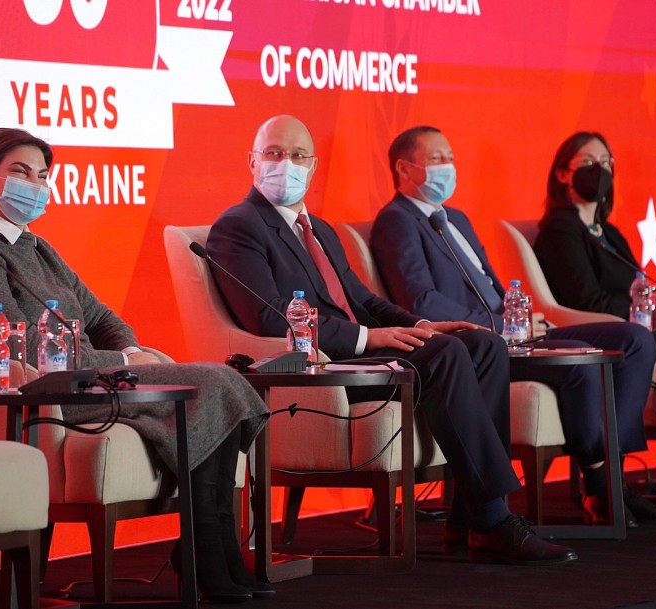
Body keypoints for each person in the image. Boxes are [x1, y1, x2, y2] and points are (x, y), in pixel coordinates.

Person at [206, 114, 577, 566]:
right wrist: (369, 337)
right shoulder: (239, 226)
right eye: (274, 153)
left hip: (361, 354)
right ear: (252, 161)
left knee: (483, 345)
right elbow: (267, 316)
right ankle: (494, 519)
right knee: (445, 355)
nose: (287, 164)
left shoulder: (318, 228)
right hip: (322, 366)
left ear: (313, 165)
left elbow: (364, 300)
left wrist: (423, 324)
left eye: (298, 155)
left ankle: (470, 518)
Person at [0, 128, 272, 604]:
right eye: (20, 172)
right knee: (214, 381)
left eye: (42, 175)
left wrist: (130, 349)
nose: (35, 185)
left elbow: (102, 317)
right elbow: (24, 345)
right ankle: (209, 557)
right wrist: (124, 360)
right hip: (48, 391)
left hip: (92, 377)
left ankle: (212, 552)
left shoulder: (38, 247)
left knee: (220, 384)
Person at [370, 125, 656, 528]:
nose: (447, 166)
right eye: (436, 159)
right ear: (403, 168)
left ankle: (612, 474)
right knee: (579, 361)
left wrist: (521, 318)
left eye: (450, 157)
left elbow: (490, 286)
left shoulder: (455, 218)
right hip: (481, 343)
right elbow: (421, 302)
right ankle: (603, 488)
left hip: (517, 330)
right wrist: (499, 324)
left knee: (633, 339)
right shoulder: (397, 221)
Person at [534, 131, 656, 336]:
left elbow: (637, 292)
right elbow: (590, 304)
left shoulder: (609, 232)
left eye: (605, 162)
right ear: (562, 175)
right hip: (617, 330)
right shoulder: (559, 231)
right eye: (587, 161)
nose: (598, 170)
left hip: (645, 318)